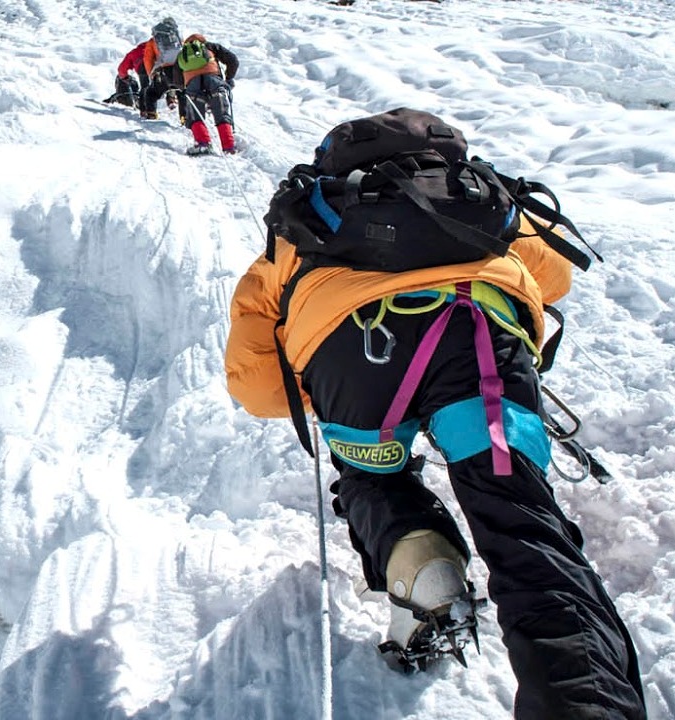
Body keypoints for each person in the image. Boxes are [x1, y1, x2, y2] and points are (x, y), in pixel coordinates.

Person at [224, 113, 647, 718]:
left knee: (374, 476)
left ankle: (423, 571)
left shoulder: (304, 222)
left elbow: (259, 388)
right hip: (479, 335)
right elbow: (553, 278)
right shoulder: (476, 195)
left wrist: (323, 389)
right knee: (523, 524)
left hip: (355, 357)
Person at [176, 34, 239, 155]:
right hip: (214, 81)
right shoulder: (210, 46)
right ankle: (229, 147)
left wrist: (185, 87)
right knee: (222, 114)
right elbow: (233, 60)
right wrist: (228, 78)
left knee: (195, 116)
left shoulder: (182, 54)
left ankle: (203, 144)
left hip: (193, 85)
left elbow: (176, 79)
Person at [139, 17, 184, 120]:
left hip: (163, 71)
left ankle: (152, 114)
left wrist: (152, 74)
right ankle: (184, 118)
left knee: (151, 93)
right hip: (180, 70)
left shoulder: (154, 40)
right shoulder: (178, 39)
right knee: (182, 93)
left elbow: (148, 59)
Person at [107, 39, 149, 107]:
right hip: (155, 65)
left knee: (145, 86)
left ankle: (145, 107)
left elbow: (122, 68)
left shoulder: (133, 52)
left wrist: (125, 77)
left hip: (141, 66)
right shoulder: (155, 46)